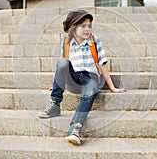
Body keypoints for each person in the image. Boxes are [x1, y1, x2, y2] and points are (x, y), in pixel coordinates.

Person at [38, 9, 126, 146]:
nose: (87, 29)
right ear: (73, 27)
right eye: (83, 26)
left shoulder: (94, 40)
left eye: (89, 26)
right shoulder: (66, 42)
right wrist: (57, 83)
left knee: (90, 91)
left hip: (89, 77)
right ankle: (55, 104)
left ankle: (75, 128)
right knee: (62, 62)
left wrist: (112, 87)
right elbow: (63, 64)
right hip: (73, 78)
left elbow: (102, 63)